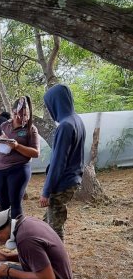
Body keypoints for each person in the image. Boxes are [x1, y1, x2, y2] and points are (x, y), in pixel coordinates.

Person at [40, 84, 86, 241]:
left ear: (56, 103)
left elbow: (58, 163)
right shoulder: (77, 120)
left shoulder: (65, 126)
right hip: (73, 179)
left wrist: (46, 191)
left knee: (54, 229)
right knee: (47, 223)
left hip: (63, 182)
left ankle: (58, 263)